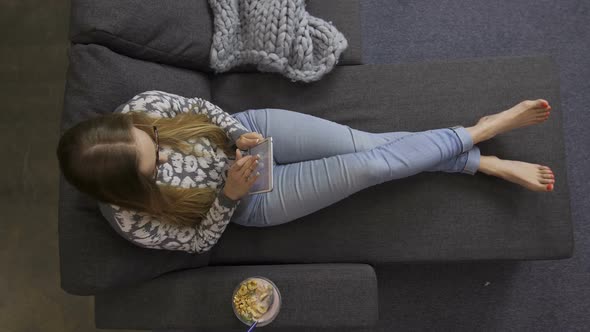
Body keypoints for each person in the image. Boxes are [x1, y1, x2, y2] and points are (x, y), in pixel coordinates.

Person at [56, 90, 555, 254]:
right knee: (373, 165)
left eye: (155, 142)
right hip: (252, 200)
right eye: (154, 166)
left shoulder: (140, 109)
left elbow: (199, 107)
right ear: (127, 189)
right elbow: (199, 242)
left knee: (369, 145)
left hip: (250, 132)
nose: (164, 153)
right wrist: (229, 194)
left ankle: (479, 149)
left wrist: (234, 135)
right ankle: (476, 139)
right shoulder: (131, 221)